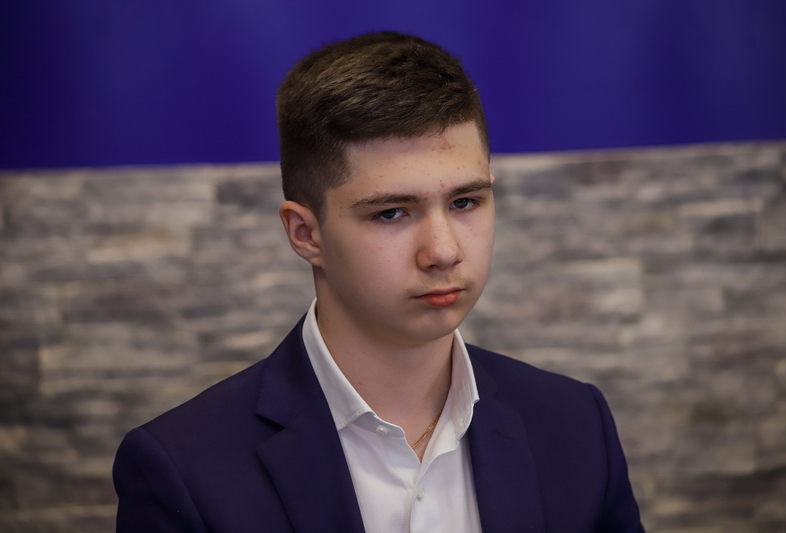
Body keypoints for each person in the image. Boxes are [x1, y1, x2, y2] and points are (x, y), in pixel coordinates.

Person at [113, 31, 644, 532]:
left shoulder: (577, 425)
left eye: (465, 202)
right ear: (305, 233)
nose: (444, 251)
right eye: (391, 213)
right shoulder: (182, 468)